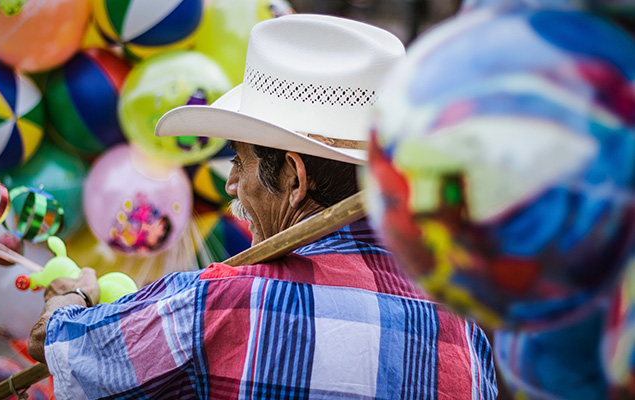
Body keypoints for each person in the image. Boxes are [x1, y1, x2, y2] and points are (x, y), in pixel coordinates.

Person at [28, 14, 498, 399]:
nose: (230, 183)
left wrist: (69, 299)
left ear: (293, 177)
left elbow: (60, 345)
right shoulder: (462, 327)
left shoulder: (222, 305)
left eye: (240, 160)